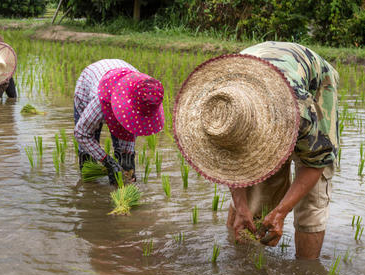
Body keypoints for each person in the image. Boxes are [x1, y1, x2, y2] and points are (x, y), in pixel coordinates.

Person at [173, 41, 339, 259]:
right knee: (254, 195)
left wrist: (281, 211)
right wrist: (241, 207)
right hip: (254, 72)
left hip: (314, 84)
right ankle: (240, 257)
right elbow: (230, 165)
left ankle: (306, 274)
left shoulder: (296, 108)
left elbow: (316, 163)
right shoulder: (215, 111)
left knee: (312, 201)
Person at [73, 59, 164, 185]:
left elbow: (129, 134)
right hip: (90, 82)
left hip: (123, 81)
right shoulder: (99, 101)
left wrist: (127, 165)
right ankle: (89, 190)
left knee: (125, 161)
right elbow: (81, 133)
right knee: (87, 157)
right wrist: (108, 162)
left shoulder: (147, 92)